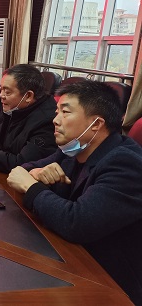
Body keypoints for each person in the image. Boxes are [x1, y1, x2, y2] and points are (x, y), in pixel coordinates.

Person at [7, 81, 142, 305]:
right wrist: (36, 173)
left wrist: (32, 187)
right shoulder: (71, 150)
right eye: (56, 111)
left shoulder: (125, 163)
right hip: (68, 258)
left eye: (65, 112)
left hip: (110, 284)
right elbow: (21, 172)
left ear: (96, 124)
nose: (55, 119)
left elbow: (77, 222)